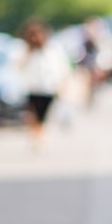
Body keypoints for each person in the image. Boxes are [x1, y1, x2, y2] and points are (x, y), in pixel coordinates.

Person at [17, 18, 70, 146]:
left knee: (43, 116)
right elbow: (18, 67)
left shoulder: (53, 49)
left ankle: (39, 136)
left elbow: (62, 67)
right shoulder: (25, 49)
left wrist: (63, 84)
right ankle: (36, 136)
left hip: (48, 89)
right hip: (31, 88)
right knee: (32, 115)